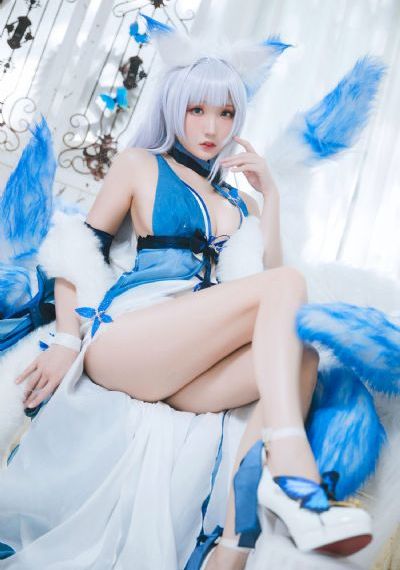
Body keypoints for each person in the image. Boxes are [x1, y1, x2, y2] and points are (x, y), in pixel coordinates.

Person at [0, 16, 373, 570]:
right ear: (174, 107)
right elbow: (78, 248)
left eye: (226, 113)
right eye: (197, 109)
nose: (211, 127)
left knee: (303, 358)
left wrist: (270, 198)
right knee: (289, 288)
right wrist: (65, 339)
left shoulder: (239, 201)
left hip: (186, 362)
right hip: (128, 337)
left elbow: (274, 287)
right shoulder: (140, 165)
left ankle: (232, 550)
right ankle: (296, 482)